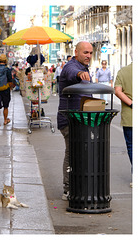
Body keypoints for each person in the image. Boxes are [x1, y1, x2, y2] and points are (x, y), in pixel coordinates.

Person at [57, 41, 93, 200]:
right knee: (72, 153)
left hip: (80, 120)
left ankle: (78, 185)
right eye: (85, 52)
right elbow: (71, 72)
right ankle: (68, 189)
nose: (89, 56)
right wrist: (79, 74)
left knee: (79, 153)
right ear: (76, 52)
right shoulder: (71, 67)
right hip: (70, 120)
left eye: (91, 53)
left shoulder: (83, 67)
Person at [114, 61, 133, 185]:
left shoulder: (123, 71)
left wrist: (131, 103)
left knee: (132, 147)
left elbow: (118, 91)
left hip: (130, 117)